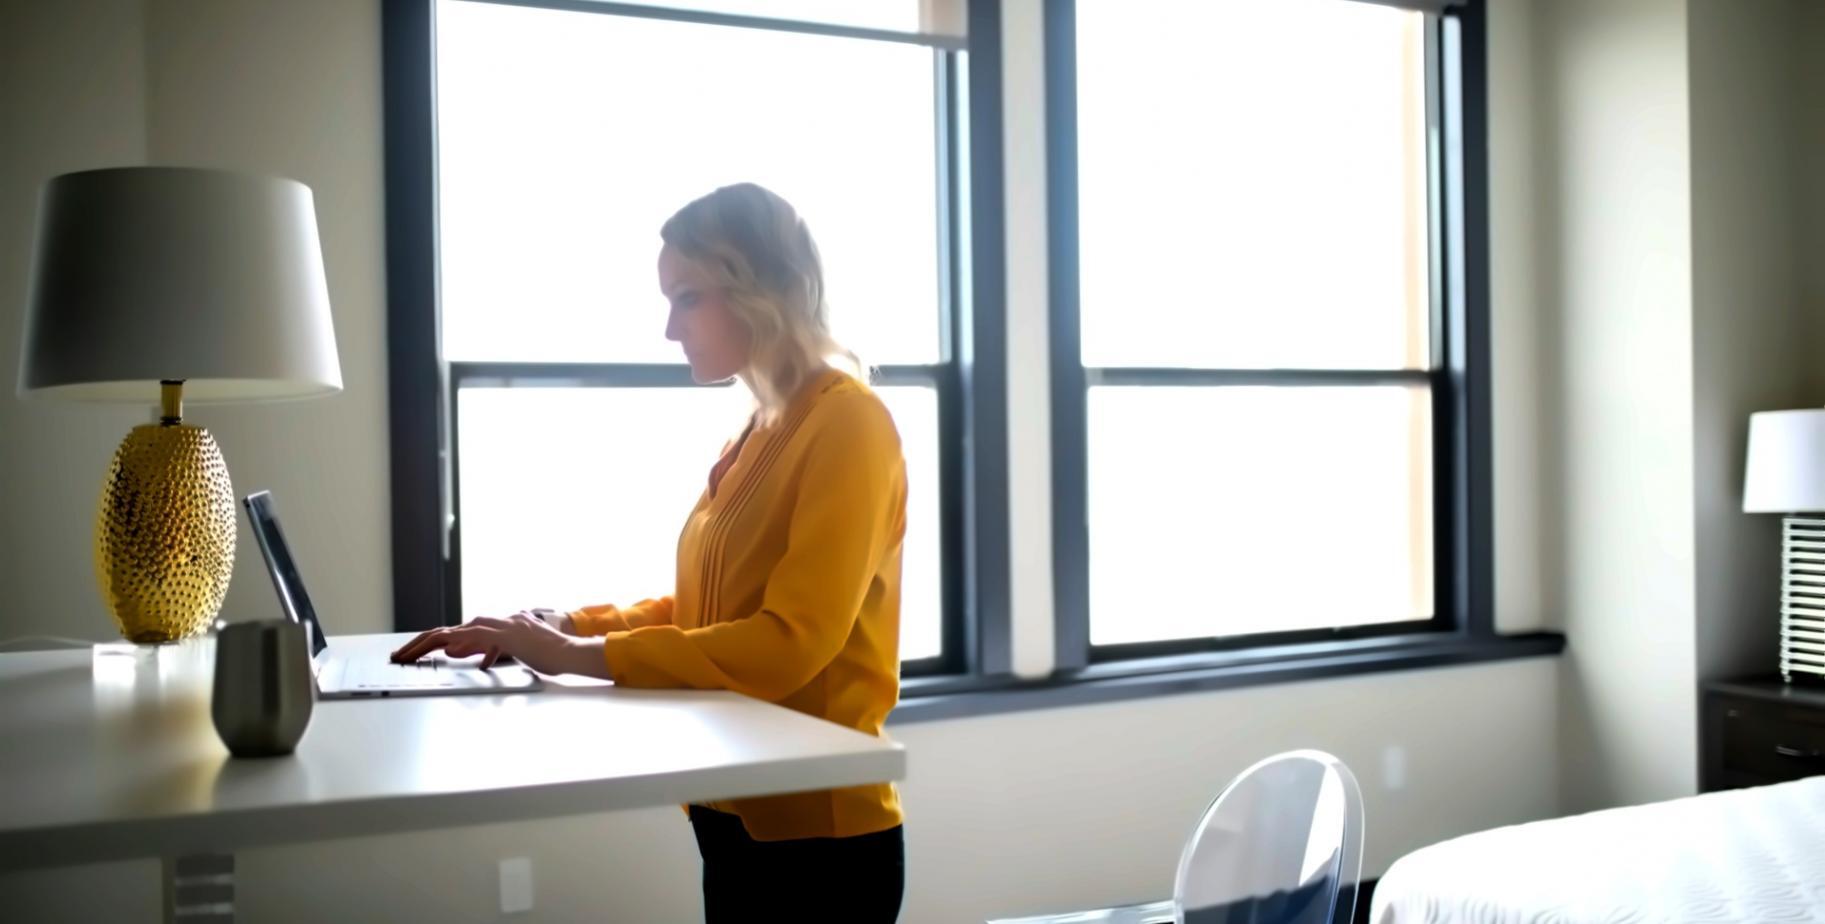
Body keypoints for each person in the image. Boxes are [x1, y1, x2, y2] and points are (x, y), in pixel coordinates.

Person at [392, 182, 908, 922]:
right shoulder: (759, 429)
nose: (670, 329)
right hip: (731, 811)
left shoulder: (850, 426)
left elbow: (788, 643)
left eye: (688, 298)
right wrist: (571, 625)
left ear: (763, 289)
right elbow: (705, 610)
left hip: (816, 835)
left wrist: (577, 659)